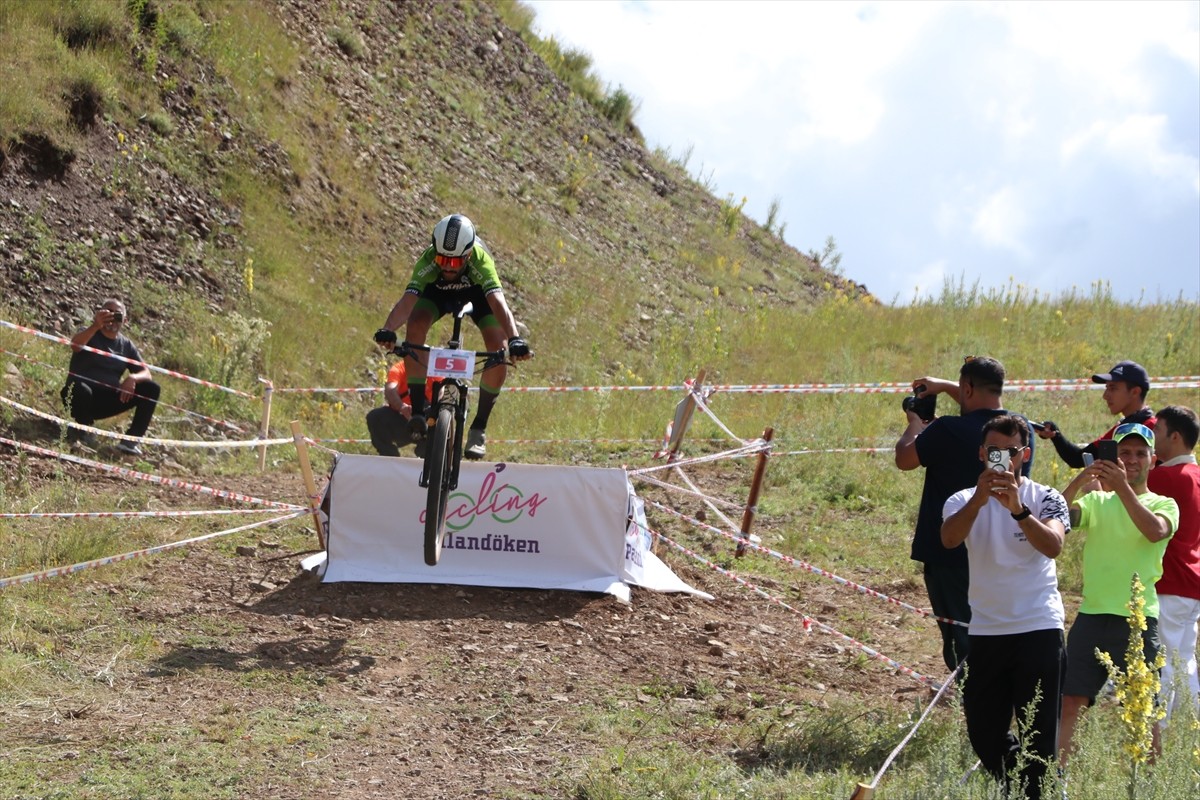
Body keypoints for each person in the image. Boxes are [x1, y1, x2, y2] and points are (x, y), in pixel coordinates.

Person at [942, 415, 1070, 800]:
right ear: (982, 453)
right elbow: (948, 539)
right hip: (987, 631)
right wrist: (981, 501)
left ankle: (1035, 789)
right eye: (993, 451)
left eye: (1009, 452)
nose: (1000, 459)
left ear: (1024, 454)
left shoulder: (1046, 496)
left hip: (1039, 628)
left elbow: (1053, 546)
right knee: (983, 733)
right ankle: (1037, 787)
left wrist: (1018, 509)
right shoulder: (961, 499)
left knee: (1038, 734)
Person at [1059, 422, 1178, 763]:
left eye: (1141, 453)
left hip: (1139, 621)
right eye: (1124, 452)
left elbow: (1155, 532)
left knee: (1141, 710)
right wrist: (1080, 481)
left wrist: (1122, 488)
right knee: (1070, 703)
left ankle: (1148, 784)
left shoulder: (1165, 504)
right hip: (1092, 615)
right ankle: (1057, 784)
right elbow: (1057, 517)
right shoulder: (1097, 500)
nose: (1132, 459)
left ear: (1153, 460)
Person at [374, 214, 530, 460]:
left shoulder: (480, 261)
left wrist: (515, 339)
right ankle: (417, 411)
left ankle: (479, 427)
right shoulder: (428, 261)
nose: (447, 266)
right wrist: (388, 329)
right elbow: (407, 302)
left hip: (478, 297)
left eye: (455, 262)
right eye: (441, 259)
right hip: (437, 294)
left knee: (498, 347)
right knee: (414, 325)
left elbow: (498, 303)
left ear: (468, 255)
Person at [895, 355, 1009, 674]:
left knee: (963, 639)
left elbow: (905, 459)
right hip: (1001, 551)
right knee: (998, 633)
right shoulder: (1017, 431)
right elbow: (984, 406)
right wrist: (947, 387)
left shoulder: (947, 429)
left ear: (967, 388)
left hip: (950, 553)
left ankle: (981, 710)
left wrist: (915, 426)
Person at [1147, 405, 1200, 720]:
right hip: (1191, 583)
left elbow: (1126, 493)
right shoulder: (1194, 475)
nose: (1153, 438)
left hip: (1169, 582)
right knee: (1185, 661)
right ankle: (1191, 730)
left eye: (1157, 431)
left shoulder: (1165, 477)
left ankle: (1159, 732)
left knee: (1163, 662)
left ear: (1175, 436)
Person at [60, 298, 160, 456]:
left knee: (152, 388)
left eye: (117, 315)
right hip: (78, 396)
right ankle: (84, 429)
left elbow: (146, 372)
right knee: (80, 389)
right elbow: (75, 345)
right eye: (108, 313)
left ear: (125, 320)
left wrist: (132, 378)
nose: (112, 318)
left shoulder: (126, 345)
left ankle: (130, 441)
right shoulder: (89, 333)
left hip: (107, 399)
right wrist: (95, 325)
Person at [1038, 360, 1156, 469]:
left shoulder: (1154, 428)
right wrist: (1055, 435)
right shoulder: (1125, 426)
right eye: (1107, 388)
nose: (1105, 395)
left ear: (1135, 392)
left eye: (1113, 388)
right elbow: (1079, 459)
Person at [365, 357, 416, 457]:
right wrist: (402, 407)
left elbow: (441, 392)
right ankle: (390, 459)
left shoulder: (433, 369)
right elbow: (390, 389)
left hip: (428, 418)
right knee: (375, 417)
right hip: (402, 416)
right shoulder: (399, 368)